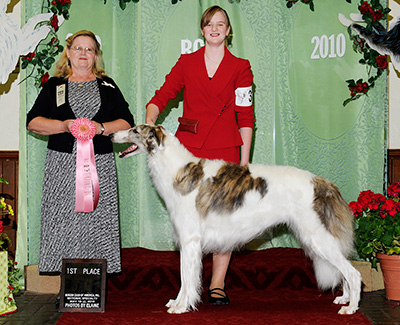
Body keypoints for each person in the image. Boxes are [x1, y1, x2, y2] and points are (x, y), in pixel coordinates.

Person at [146, 6, 254, 305]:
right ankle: (187, 286)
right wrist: (150, 121)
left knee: (224, 220)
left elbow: (245, 116)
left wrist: (244, 162)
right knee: (187, 220)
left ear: (228, 30)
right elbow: (161, 96)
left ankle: (217, 283)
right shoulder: (186, 62)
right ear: (202, 29)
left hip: (226, 152)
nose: (215, 28)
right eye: (209, 24)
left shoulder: (241, 66)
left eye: (221, 24)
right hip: (189, 153)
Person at [26, 30, 135, 276]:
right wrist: (63, 126)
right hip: (61, 166)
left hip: (101, 165)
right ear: (68, 53)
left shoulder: (108, 86)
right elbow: (32, 122)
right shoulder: (54, 85)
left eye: (89, 49)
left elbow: (127, 123)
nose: (83, 53)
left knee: (97, 222)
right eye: (78, 48)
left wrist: (101, 128)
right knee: (63, 222)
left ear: (96, 56)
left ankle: (94, 286)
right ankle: (66, 286)